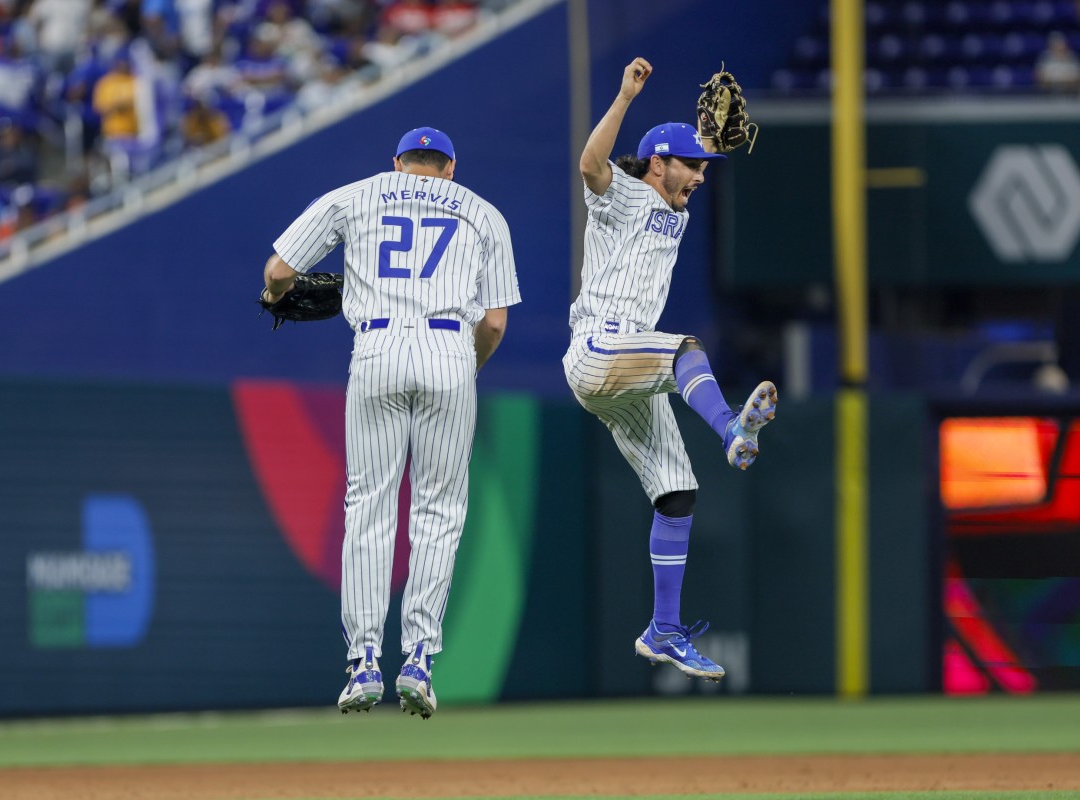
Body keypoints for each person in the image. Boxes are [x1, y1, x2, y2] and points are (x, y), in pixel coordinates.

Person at [261, 126, 520, 718]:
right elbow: (497, 324)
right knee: (438, 510)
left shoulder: (356, 195)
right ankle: (421, 659)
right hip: (452, 351)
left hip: (375, 349)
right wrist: (462, 371)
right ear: (450, 169)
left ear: (397, 163)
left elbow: (279, 271)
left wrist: (277, 298)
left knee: (368, 506)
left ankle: (364, 662)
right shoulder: (485, 214)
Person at [562, 58, 777, 682]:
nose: (702, 179)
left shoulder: (674, 206)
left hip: (625, 376)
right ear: (657, 163)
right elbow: (590, 164)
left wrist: (702, 141)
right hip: (601, 350)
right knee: (686, 348)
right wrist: (626, 96)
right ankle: (733, 431)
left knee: (677, 493)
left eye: (703, 169)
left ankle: (663, 629)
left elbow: (681, 160)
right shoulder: (621, 194)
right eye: (692, 168)